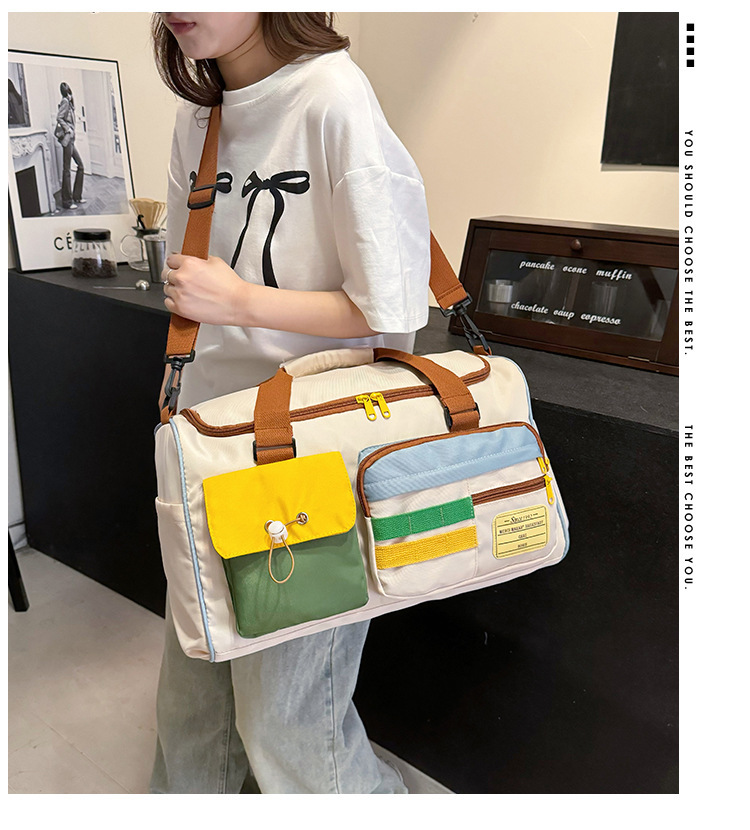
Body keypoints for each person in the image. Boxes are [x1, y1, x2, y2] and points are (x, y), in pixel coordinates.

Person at [149, 13, 430, 794]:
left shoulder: (332, 97)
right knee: (191, 710)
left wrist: (242, 300)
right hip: (210, 446)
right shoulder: (198, 118)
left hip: (307, 461)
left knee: (289, 726)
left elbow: (390, 311)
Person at [55, 82, 86, 210]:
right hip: (67, 140)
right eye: (66, 93)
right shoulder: (65, 102)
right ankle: (67, 202)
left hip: (71, 140)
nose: (69, 95)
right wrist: (68, 129)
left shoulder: (70, 104)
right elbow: (59, 117)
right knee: (66, 169)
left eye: (69, 92)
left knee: (80, 166)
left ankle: (77, 196)